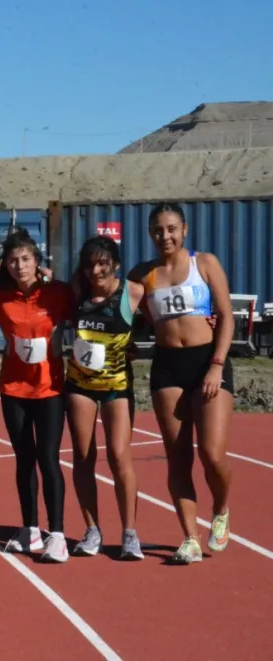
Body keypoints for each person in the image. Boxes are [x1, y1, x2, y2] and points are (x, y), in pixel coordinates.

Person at [127, 203, 234, 565]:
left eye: (171, 229)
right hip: (167, 368)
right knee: (178, 458)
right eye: (158, 230)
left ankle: (220, 507)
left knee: (212, 452)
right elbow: (119, 310)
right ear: (149, 234)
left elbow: (226, 316)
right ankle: (189, 537)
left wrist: (217, 366)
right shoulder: (143, 274)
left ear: (184, 230)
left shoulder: (205, 264)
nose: (165, 236)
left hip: (207, 361)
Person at [0, 227, 74, 563]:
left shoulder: (59, 293)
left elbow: (88, 316)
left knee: (49, 459)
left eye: (25, 259)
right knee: (23, 459)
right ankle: (30, 529)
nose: (19, 265)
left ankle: (58, 534)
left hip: (50, 389)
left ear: (37, 262)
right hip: (13, 389)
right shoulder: (0, 297)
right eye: (13, 260)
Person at [65, 235, 144, 560]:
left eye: (102, 263)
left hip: (116, 385)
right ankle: (92, 529)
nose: (96, 270)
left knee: (118, 456)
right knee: (83, 456)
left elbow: (165, 321)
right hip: (80, 384)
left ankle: (129, 533)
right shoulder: (77, 290)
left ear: (116, 264)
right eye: (89, 264)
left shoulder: (133, 292)